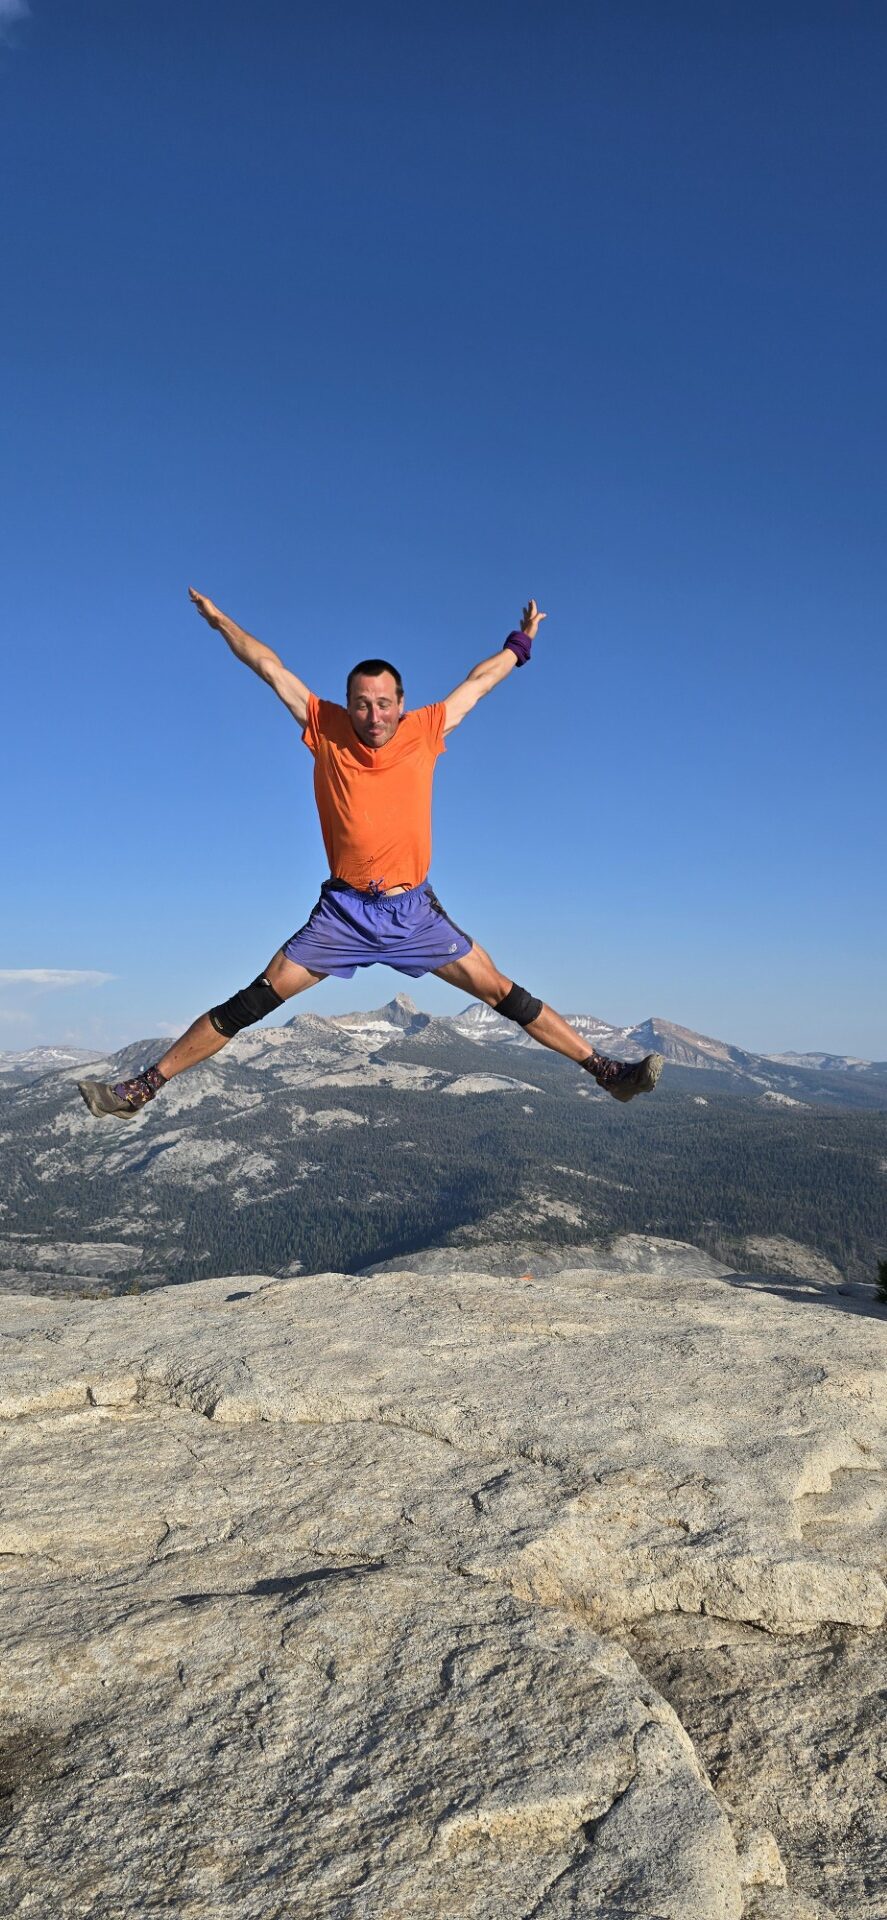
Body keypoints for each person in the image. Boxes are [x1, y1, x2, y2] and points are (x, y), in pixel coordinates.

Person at [78, 590, 663, 1119]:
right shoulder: (323, 726)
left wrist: (523, 641)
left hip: (411, 910)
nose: (374, 715)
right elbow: (266, 664)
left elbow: (481, 681)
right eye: (362, 704)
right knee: (251, 1001)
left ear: (401, 703)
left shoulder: (427, 729)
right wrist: (219, 621)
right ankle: (142, 1089)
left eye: (384, 704)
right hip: (344, 915)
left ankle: (607, 1073)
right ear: (348, 704)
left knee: (504, 993)